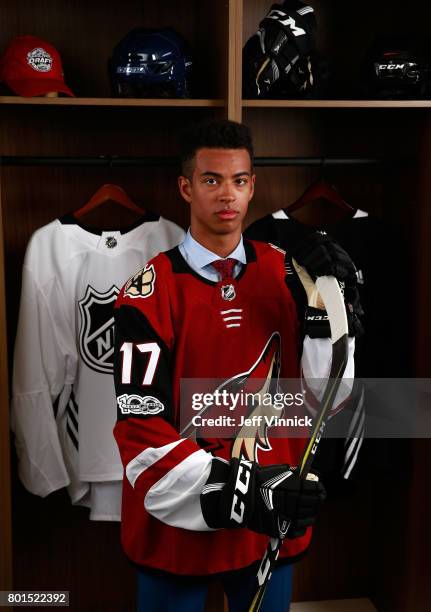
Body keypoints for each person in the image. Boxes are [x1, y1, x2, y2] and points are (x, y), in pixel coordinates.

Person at [113, 119, 360, 611]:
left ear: (253, 187)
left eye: (240, 180)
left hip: (269, 526)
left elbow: (326, 399)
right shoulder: (148, 292)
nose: (228, 195)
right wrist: (247, 493)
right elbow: (142, 438)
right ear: (186, 187)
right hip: (178, 533)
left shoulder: (292, 273)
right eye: (211, 180)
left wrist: (329, 312)